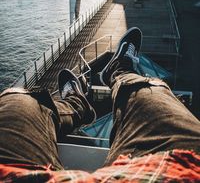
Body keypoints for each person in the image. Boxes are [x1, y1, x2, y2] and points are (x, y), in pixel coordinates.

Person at [0, 27, 200, 182]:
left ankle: (78, 104)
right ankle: (119, 72)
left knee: (16, 99)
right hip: (169, 173)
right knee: (152, 94)